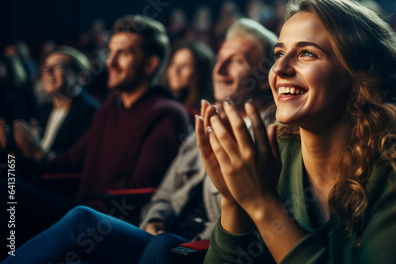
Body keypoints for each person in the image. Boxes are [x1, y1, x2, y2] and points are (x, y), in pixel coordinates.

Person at [196, 0, 396, 263]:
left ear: (360, 74)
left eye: (306, 53)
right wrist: (234, 201)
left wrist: (262, 204)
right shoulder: (273, 152)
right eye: (279, 53)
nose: (279, 67)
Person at [1, 18, 278, 264]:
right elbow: (163, 195)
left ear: (265, 79)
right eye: (220, 59)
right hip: (157, 232)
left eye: (237, 61)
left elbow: (246, 220)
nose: (220, 70)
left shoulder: (270, 137)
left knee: (82, 218)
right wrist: (155, 220)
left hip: (199, 245)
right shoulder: (195, 127)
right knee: (10, 186)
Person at [11, 15, 192, 246]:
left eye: (123, 53)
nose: (111, 62)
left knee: (9, 191)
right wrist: (20, 158)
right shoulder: (110, 106)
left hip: (109, 223)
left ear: (150, 65)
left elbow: (140, 195)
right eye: (111, 52)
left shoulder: (167, 113)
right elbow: (69, 163)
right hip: (80, 211)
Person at [1, 47, 100, 170]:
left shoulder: (89, 112)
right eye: (45, 67)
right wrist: (10, 149)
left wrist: (37, 151)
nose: (47, 72)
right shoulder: (43, 110)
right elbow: (27, 162)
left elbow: (75, 162)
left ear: (81, 77)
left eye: (58, 67)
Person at [161, 41, 215, 115]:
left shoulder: (204, 113)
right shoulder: (162, 104)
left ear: (200, 72)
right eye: (173, 63)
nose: (176, 70)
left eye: (185, 65)